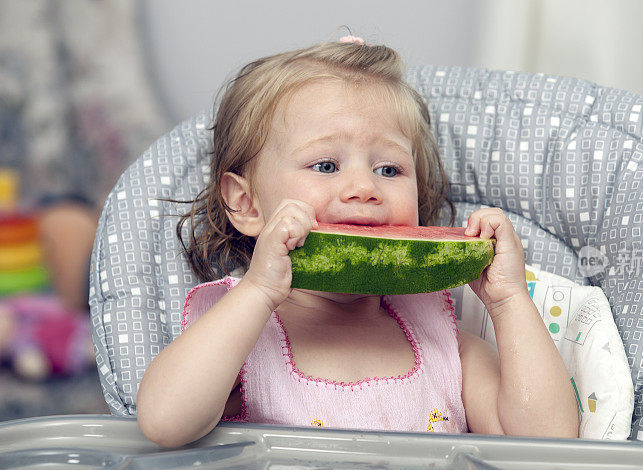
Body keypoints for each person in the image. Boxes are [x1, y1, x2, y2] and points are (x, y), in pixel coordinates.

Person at [136, 37, 578, 448]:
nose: (364, 187)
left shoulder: (441, 339)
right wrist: (257, 291)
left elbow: (548, 443)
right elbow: (164, 422)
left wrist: (508, 300)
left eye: (389, 170)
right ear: (248, 204)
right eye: (326, 165)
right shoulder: (240, 337)